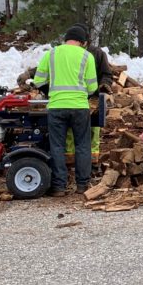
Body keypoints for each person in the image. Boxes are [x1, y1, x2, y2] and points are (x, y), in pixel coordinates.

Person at [31, 25, 98, 197]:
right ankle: (82, 185)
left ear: (66, 39)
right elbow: (92, 87)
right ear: (83, 42)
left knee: (57, 147)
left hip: (56, 106)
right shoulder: (87, 56)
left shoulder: (51, 54)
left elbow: (38, 80)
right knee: (82, 146)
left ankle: (59, 187)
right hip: (80, 107)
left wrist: (50, 92)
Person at [64, 23, 112, 173]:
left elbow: (106, 74)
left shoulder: (97, 53)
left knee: (92, 130)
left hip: (92, 99)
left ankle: (92, 163)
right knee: (70, 131)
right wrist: (29, 73)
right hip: (72, 97)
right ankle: (70, 162)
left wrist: (104, 84)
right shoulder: (66, 52)